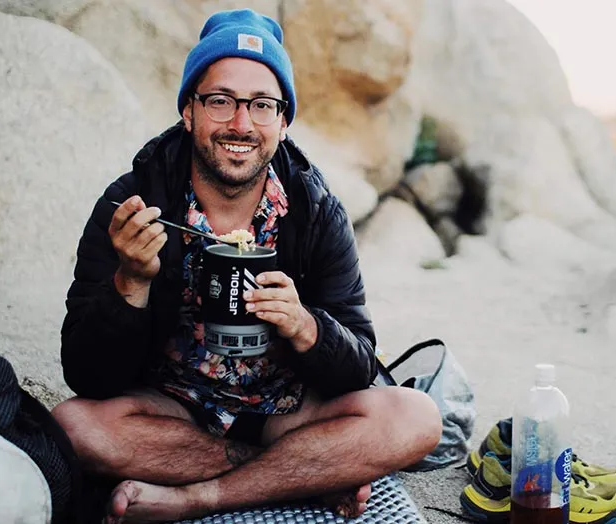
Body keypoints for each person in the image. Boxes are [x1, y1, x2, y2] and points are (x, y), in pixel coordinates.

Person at [51, 9, 442, 523]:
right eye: (220, 101)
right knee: (71, 428)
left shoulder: (315, 209)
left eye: (261, 105)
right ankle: (300, 474)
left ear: (283, 121)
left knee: (416, 417)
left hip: (286, 411)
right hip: (174, 408)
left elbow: (359, 364)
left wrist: (306, 327)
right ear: (188, 111)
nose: (241, 124)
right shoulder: (134, 203)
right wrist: (131, 282)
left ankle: (196, 498)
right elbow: (87, 377)